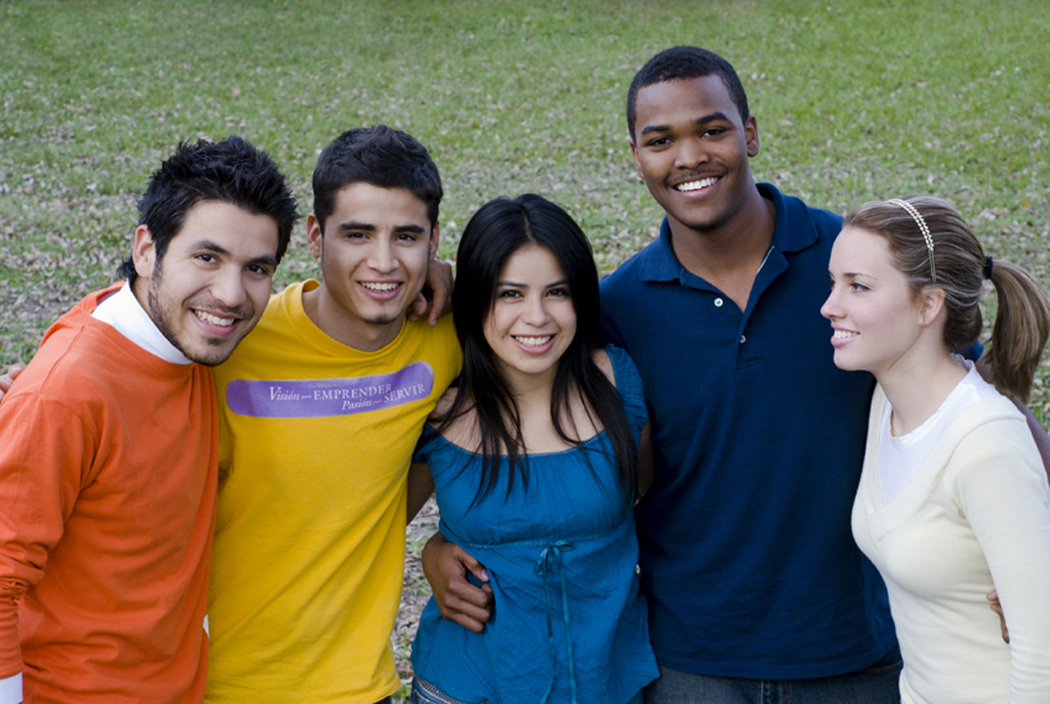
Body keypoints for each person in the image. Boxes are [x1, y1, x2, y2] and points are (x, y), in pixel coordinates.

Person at [423, 45, 1047, 703]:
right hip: (690, 662)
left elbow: (982, 413)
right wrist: (449, 543)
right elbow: (532, 433)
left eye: (712, 129)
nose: (689, 156)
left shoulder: (850, 272)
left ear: (749, 132)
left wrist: (1036, 551)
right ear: (636, 156)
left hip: (852, 653)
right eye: (661, 140)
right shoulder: (618, 309)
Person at [0, 136, 298, 703]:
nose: (231, 294)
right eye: (206, 257)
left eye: (256, 268)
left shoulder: (190, 338)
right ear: (146, 250)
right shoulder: (64, 394)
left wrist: (436, 277)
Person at [203, 125, 462, 704]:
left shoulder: (447, 338)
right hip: (218, 683)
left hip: (360, 688)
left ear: (434, 240)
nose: (384, 261)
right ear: (316, 237)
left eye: (407, 237)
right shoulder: (233, 340)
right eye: (357, 234)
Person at [407, 194, 658, 704]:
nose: (536, 317)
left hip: (608, 683)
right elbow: (369, 529)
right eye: (510, 294)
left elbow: (650, 501)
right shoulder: (438, 410)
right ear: (477, 300)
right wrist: (432, 552)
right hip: (466, 685)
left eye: (556, 292)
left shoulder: (618, 384)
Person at [822, 196, 1050, 704]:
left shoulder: (986, 443)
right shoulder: (886, 402)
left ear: (928, 305)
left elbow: (1043, 658)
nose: (829, 306)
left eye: (857, 286)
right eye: (833, 283)